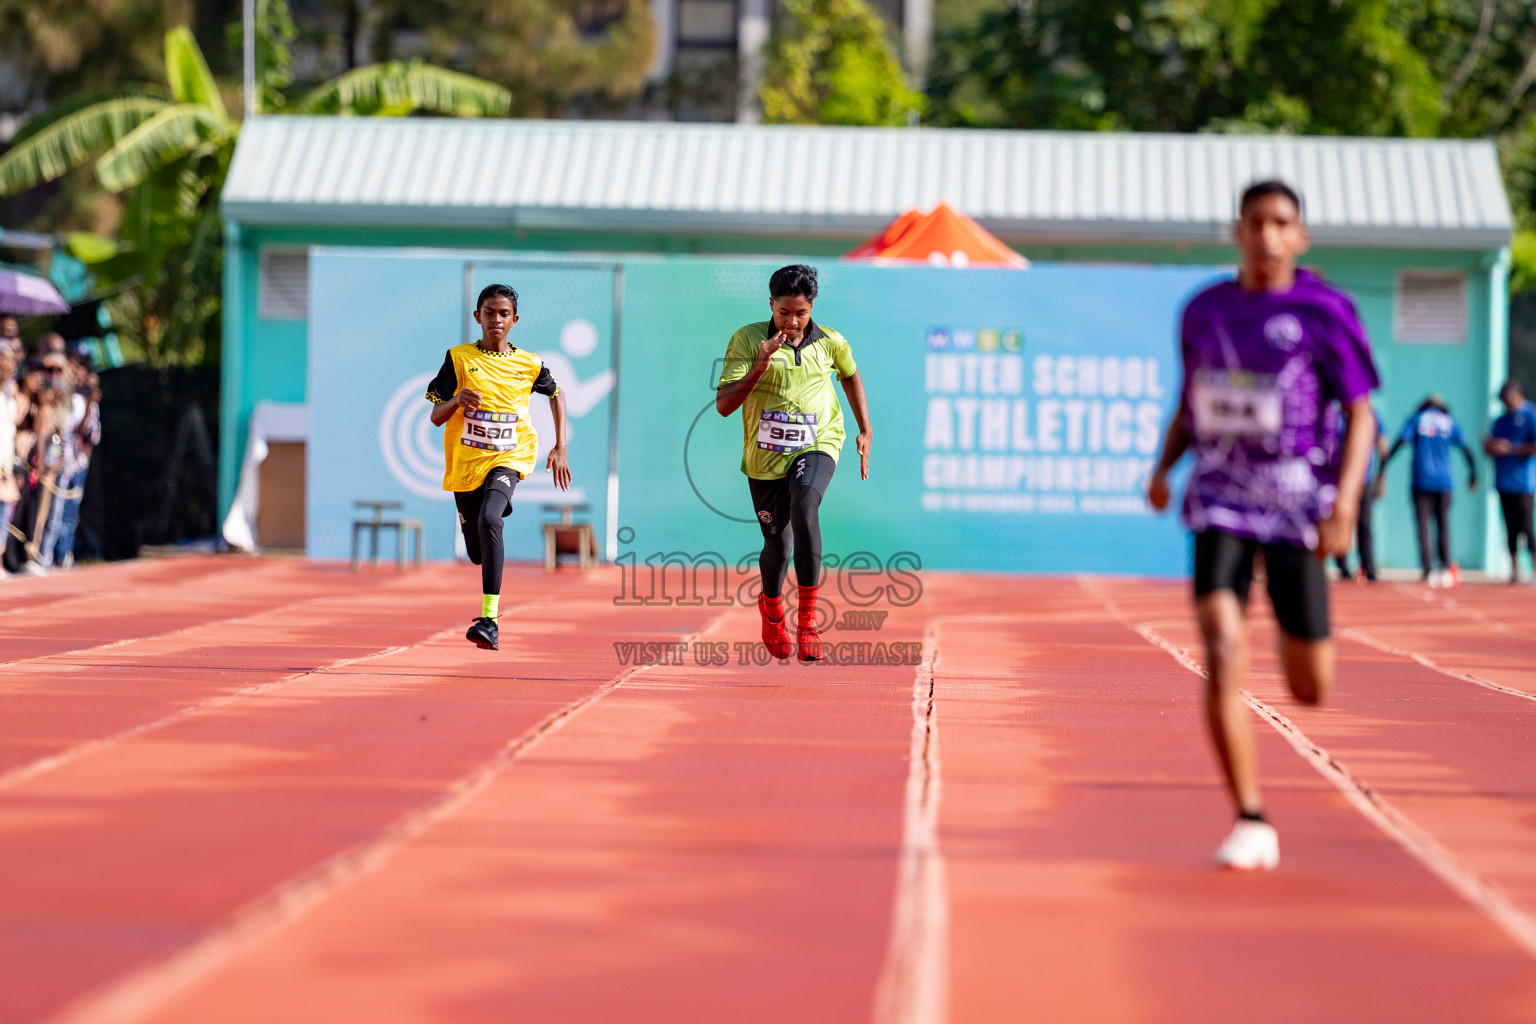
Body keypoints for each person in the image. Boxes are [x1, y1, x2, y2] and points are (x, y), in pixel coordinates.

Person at [1147, 180, 1379, 871]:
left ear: (1300, 236)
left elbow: (1361, 413)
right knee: (1221, 646)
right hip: (1219, 498)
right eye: (1256, 223)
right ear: (1237, 232)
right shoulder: (1204, 311)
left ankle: (1296, 621)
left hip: (1296, 505)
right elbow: (1192, 402)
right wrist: (1164, 468)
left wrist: (1345, 503)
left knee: (1311, 685)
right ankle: (1250, 817)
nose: (1268, 235)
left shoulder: (1325, 310)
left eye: (1282, 223)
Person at [716, 264, 872, 662]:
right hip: (765, 457)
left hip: (819, 440)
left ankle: (808, 621)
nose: (791, 321)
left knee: (806, 507)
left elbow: (851, 376)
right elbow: (724, 406)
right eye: (784, 312)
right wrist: (761, 365)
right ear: (771, 305)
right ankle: (771, 609)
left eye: (800, 313)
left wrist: (864, 429)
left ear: (811, 307)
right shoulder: (748, 339)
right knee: (776, 545)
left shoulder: (831, 341)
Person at [426, 283, 570, 651]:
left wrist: (560, 446)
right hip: (466, 464)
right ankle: (483, 525)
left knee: (492, 518)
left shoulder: (529, 363)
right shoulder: (458, 358)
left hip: (510, 456)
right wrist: (457, 399)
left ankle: (489, 620)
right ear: (478, 317)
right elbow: (435, 416)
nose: (496, 319)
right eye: (489, 313)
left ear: (514, 320)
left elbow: (556, 394)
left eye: (503, 314)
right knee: (477, 550)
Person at [1382, 396, 1478, 587]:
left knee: (1422, 526)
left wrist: (1383, 466)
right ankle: (1444, 567)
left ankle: (1427, 569)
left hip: (1422, 480)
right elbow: (1467, 448)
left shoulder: (1417, 419)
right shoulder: (1449, 421)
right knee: (1443, 524)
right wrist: (1473, 473)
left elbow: (1401, 441)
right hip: (1444, 482)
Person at [1325, 401, 1388, 581]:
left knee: (1362, 524)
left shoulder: (1370, 416)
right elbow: (1384, 448)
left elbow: (1383, 447)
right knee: (1358, 523)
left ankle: (1363, 567)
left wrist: (1381, 477)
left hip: (1360, 479)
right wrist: (1383, 476)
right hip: (1345, 479)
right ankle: (1353, 567)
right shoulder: (1347, 416)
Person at [1484, 381, 1536, 583]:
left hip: (1524, 482)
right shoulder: (1500, 421)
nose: (1504, 404)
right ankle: (1514, 571)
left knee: (1526, 526)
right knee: (1510, 528)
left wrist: (1511, 448)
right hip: (1503, 481)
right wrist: (1490, 446)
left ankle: (1533, 568)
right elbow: (1491, 448)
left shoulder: (1531, 415)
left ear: (1515, 395)